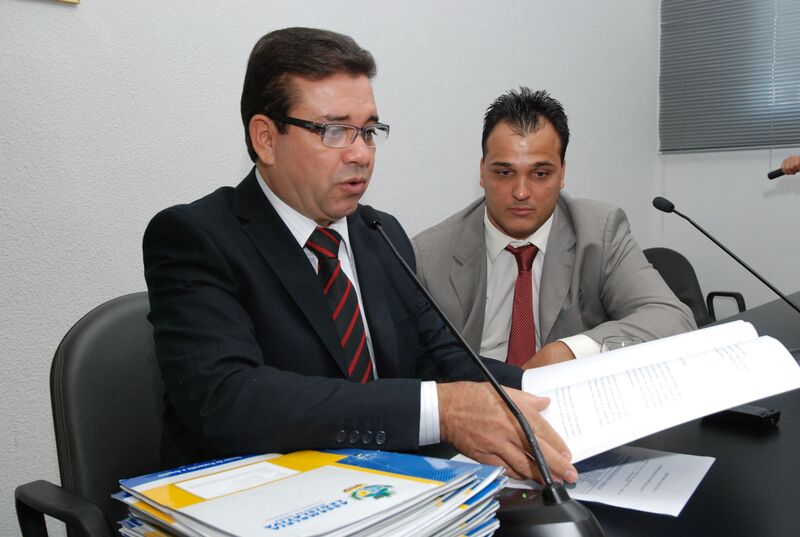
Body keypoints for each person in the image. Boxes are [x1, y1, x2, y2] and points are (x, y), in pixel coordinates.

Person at [143, 28, 576, 483]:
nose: (361, 155)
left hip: (384, 489)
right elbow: (228, 400)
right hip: (255, 495)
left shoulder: (379, 232)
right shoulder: (197, 238)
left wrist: (559, 391)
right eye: (334, 131)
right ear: (266, 138)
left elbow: (443, 358)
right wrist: (441, 410)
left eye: (368, 131)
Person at [413, 88, 695, 370]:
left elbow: (672, 318)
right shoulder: (428, 256)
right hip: (476, 393)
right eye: (504, 172)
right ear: (482, 172)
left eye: (540, 174)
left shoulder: (599, 233)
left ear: (562, 174)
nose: (521, 192)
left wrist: (569, 350)